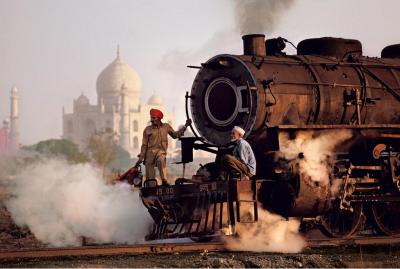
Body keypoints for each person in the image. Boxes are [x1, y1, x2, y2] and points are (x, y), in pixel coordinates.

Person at [136, 108, 191, 185]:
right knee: (150, 181)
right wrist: (141, 158)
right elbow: (144, 145)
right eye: (151, 118)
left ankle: (164, 181)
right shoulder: (147, 130)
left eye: (153, 118)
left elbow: (175, 135)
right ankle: (152, 190)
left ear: (159, 118)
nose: (151, 120)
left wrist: (185, 126)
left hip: (160, 152)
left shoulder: (166, 127)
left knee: (161, 160)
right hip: (149, 155)